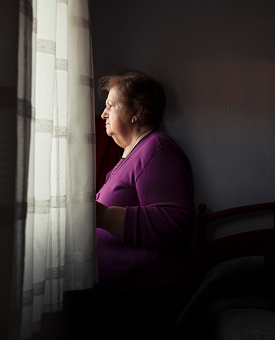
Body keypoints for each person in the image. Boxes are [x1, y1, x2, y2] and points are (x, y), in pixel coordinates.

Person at [94, 68, 202, 340]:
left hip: (151, 296)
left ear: (137, 112)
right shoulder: (131, 155)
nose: (103, 114)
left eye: (111, 105)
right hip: (129, 294)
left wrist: (103, 217)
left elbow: (177, 222)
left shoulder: (156, 149)